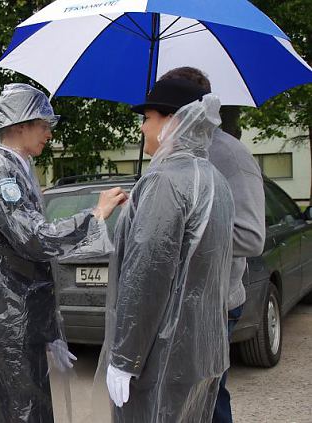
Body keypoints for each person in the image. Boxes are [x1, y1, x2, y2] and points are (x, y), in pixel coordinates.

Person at [0, 83, 127, 423]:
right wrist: (94, 216)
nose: (49, 135)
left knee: (32, 410)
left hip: (20, 318)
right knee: (19, 412)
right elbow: (34, 239)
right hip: (8, 321)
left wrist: (47, 326)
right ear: (20, 124)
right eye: (44, 126)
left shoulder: (16, 166)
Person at [100, 78, 235, 422]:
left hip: (159, 355)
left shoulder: (165, 181)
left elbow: (146, 276)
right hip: (200, 352)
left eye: (147, 117)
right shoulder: (214, 179)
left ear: (172, 120)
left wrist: (125, 358)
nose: (143, 127)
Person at [158, 67, 266, 423]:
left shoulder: (231, 155)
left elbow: (251, 237)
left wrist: (183, 230)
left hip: (215, 304)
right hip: (175, 301)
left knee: (208, 398)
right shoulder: (170, 152)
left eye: (167, 110)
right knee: (178, 396)